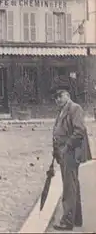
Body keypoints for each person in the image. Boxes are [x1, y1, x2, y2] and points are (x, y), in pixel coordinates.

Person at [51, 87, 92, 231]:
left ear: (67, 96)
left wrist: (66, 147)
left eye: (60, 96)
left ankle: (67, 221)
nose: (57, 100)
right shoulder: (62, 110)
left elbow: (79, 130)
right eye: (55, 98)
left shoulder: (75, 108)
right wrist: (56, 149)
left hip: (71, 152)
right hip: (64, 152)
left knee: (69, 187)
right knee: (72, 185)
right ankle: (76, 219)